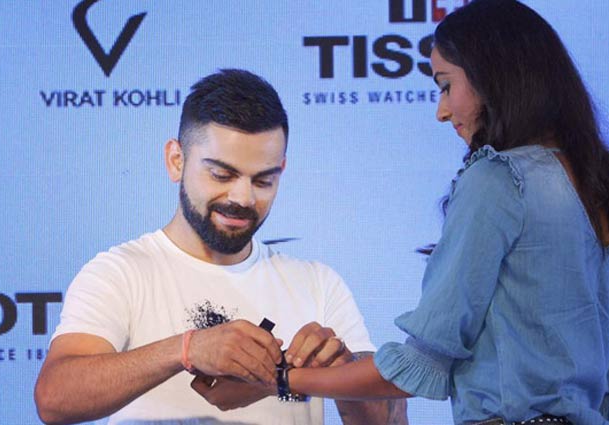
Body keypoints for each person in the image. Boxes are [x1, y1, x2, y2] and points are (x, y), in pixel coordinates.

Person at [283, 1, 609, 424]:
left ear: (491, 77)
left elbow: (421, 363)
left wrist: (283, 380)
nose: (441, 112)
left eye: (445, 86)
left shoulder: (498, 179)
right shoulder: (601, 180)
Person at [34, 69, 406, 425]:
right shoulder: (121, 272)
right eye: (222, 175)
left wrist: (340, 370)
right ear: (176, 161)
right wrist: (186, 349)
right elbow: (54, 398)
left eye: (263, 181)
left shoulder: (319, 284)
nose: (242, 198)